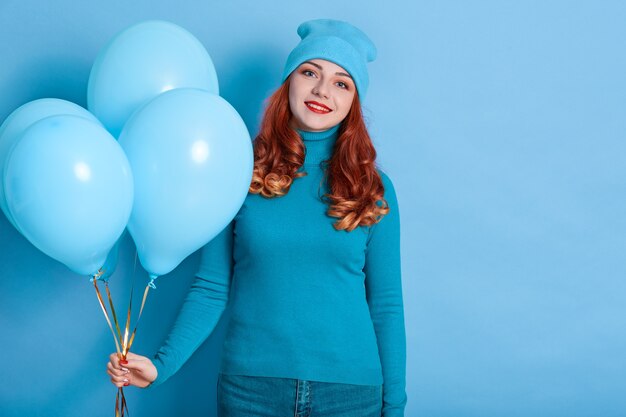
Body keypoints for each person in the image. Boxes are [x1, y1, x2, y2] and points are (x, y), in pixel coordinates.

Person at [106, 18, 407, 417]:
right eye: (310, 72)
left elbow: (386, 305)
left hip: (350, 395)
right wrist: (160, 366)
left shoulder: (373, 187)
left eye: (341, 82)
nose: (321, 90)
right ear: (288, 82)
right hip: (251, 392)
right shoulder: (237, 172)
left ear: (353, 101)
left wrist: (394, 407)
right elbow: (211, 287)